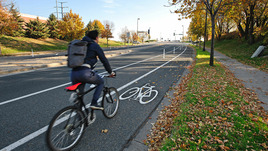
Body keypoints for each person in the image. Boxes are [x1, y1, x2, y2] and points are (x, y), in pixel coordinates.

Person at [70, 30, 116, 110]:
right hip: (84, 73)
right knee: (101, 82)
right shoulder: (94, 45)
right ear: (96, 38)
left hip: (73, 73)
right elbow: (104, 60)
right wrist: (110, 72)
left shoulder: (80, 45)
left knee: (80, 97)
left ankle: (80, 119)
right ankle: (94, 103)